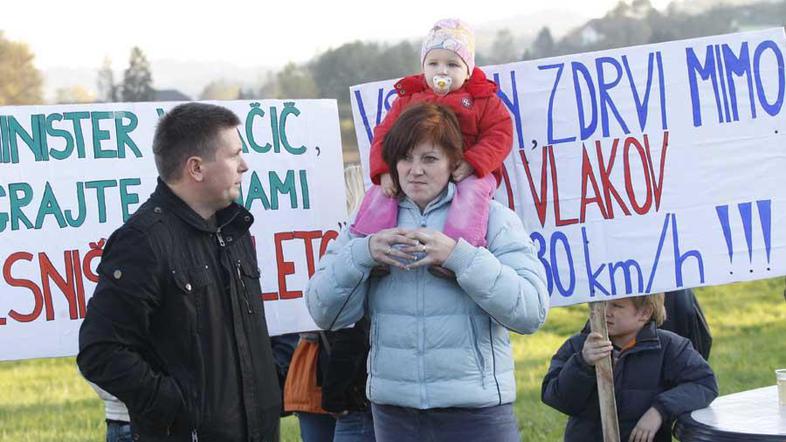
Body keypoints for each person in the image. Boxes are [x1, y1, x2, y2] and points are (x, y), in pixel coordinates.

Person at [306, 103, 549, 442]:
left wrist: (460, 257)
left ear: (454, 163)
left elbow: (531, 312)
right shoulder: (367, 225)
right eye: (405, 158)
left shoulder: (493, 219)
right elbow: (322, 310)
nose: (415, 170)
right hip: (394, 414)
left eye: (430, 159)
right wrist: (363, 254)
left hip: (476, 412)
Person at [77, 102, 281, 441]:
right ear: (196, 168)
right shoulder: (143, 242)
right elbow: (101, 352)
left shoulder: (233, 229)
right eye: (234, 155)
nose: (244, 166)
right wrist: (179, 409)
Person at [351, 18, 513, 278]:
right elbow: (384, 134)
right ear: (423, 67)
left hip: (468, 171)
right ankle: (372, 246)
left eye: (452, 64)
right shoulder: (409, 99)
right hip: (420, 166)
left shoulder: (482, 100)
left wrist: (473, 161)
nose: (442, 71)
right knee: (381, 194)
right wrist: (384, 171)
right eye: (433, 63)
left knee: (472, 196)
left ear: (469, 70)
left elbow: (500, 134)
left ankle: (458, 252)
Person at [541, 293, 718, 442]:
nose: (606, 312)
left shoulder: (670, 347)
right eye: (603, 303)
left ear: (645, 313)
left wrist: (659, 411)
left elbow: (704, 383)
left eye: (617, 306)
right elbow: (555, 397)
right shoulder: (578, 346)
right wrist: (582, 363)